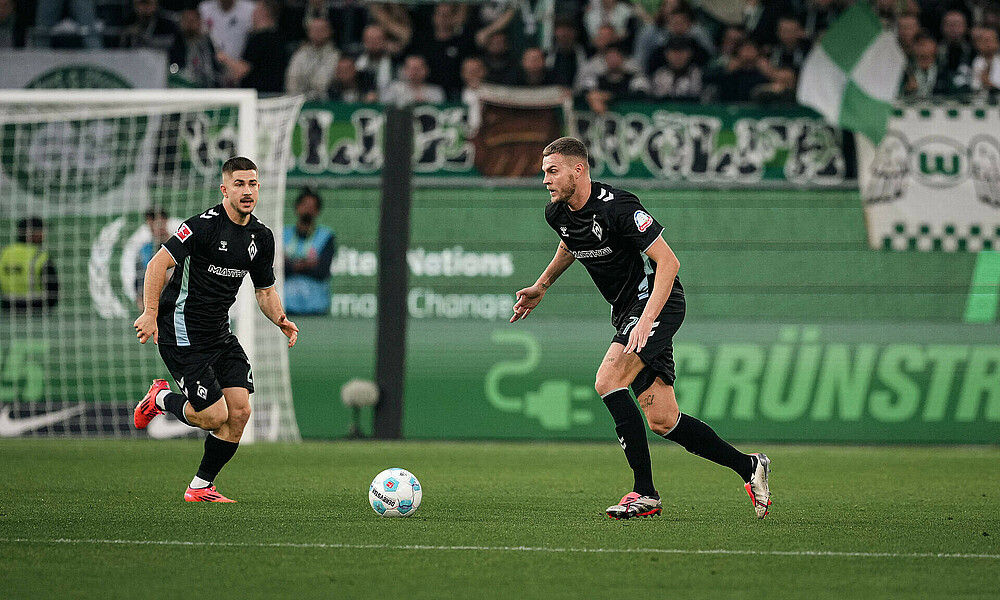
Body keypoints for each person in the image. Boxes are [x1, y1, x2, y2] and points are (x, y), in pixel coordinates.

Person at [511, 137, 771, 520]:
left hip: (657, 303)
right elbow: (570, 244)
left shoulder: (619, 208)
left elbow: (669, 262)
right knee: (663, 420)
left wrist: (648, 318)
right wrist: (542, 285)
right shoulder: (557, 213)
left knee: (607, 379)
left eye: (553, 171)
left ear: (578, 169)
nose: (545, 179)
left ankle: (644, 492)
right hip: (626, 311)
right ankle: (750, 467)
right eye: (544, 172)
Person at [133, 156, 298, 503]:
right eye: (239, 184)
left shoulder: (261, 237)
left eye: (252, 183)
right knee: (213, 415)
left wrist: (280, 318)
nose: (247, 190)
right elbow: (157, 264)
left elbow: (265, 291)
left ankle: (200, 486)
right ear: (224, 189)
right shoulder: (202, 227)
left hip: (219, 335)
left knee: (239, 412)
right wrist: (150, 313)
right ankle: (161, 397)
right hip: (181, 332)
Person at [283, 188, 336, 315]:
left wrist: (291, 264)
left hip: (316, 308)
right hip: (286, 307)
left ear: (317, 211)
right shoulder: (282, 235)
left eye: (312, 207)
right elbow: (277, 269)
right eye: (305, 205)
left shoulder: (326, 237)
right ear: (297, 208)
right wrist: (307, 264)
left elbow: (322, 270)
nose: (308, 210)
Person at [0, 217, 58, 312]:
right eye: (41, 231)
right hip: (36, 309)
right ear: (31, 233)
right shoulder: (40, 256)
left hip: (8, 309)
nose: (44, 235)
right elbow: (53, 288)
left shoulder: (4, 253)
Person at [285, 17, 340, 100]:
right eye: (314, 29)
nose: (317, 33)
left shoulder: (336, 56)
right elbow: (292, 81)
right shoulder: (299, 55)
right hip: (299, 101)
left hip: (327, 101)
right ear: (308, 32)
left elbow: (324, 83)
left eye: (321, 29)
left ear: (329, 31)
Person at [135, 207, 173, 310]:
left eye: (160, 222)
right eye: (151, 223)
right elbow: (140, 282)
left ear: (166, 221)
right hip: (156, 306)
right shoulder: (145, 250)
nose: (157, 226)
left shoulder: (178, 245)